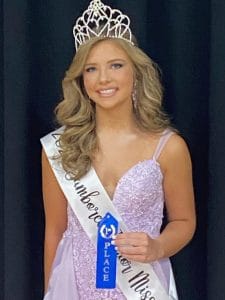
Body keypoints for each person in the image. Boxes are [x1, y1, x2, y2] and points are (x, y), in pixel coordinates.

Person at [41, 1, 196, 299]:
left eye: (116, 65)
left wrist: (158, 247)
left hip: (141, 285)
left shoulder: (169, 147)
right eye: (91, 69)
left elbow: (185, 221)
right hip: (73, 287)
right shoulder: (60, 148)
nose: (103, 79)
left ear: (136, 73)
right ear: (81, 80)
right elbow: (55, 231)